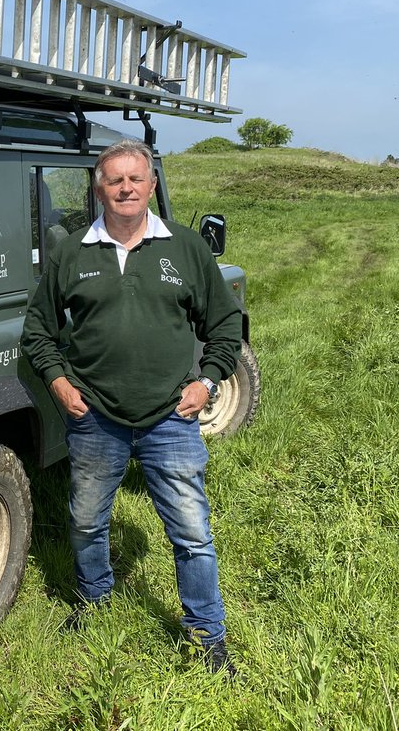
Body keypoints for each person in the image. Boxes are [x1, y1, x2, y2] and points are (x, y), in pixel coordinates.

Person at [22, 138, 242, 673]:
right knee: (88, 521)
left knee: (192, 533)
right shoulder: (72, 252)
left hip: (172, 415)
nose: (125, 188)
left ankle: (205, 634)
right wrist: (61, 387)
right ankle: (95, 601)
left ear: (151, 185)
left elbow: (225, 326)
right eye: (114, 179)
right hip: (95, 416)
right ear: (98, 188)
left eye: (136, 179)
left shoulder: (186, 248)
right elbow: (38, 331)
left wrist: (206, 383)